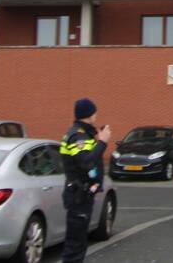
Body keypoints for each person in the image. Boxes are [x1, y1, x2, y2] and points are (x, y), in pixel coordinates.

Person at [60, 98, 111, 263]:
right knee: (75, 246)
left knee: (79, 243)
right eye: (94, 112)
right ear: (89, 114)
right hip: (78, 196)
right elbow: (85, 162)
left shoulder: (83, 134)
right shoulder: (78, 136)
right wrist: (102, 142)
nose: (96, 115)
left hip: (81, 195)